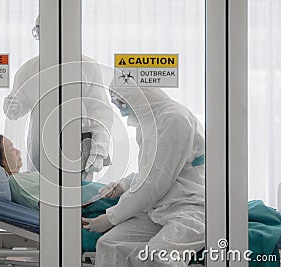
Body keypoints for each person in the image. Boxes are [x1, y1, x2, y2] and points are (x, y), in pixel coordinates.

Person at [82, 84, 205, 266]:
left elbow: (154, 183)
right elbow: (151, 171)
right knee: (110, 244)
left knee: (158, 257)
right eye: (115, 101)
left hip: (189, 208)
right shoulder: (149, 122)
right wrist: (123, 185)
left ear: (137, 94)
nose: (120, 107)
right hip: (160, 208)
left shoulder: (174, 119)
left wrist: (110, 218)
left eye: (121, 101)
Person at [3, 15, 113, 180]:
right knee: (42, 196)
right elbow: (16, 108)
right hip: (40, 146)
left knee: (76, 199)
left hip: (77, 145)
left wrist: (99, 150)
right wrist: (12, 106)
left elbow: (100, 113)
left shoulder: (87, 67)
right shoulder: (29, 69)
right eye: (40, 32)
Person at [0, 134, 119, 252]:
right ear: (0, 160)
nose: (18, 151)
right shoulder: (17, 182)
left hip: (87, 195)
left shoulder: (22, 178)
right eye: (11, 149)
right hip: (89, 201)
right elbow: (49, 204)